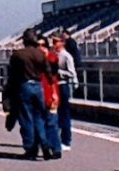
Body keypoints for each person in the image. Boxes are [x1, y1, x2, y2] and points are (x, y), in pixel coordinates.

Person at [7, 29, 60, 160]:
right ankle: (45, 144)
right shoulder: (40, 54)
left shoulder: (18, 55)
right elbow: (49, 73)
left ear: (24, 40)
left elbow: (12, 76)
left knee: (26, 118)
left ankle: (30, 148)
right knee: (39, 117)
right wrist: (52, 87)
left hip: (24, 85)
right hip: (38, 86)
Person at [52, 35, 78, 151]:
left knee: (64, 114)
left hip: (62, 86)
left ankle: (66, 141)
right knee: (54, 113)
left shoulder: (66, 56)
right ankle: (55, 139)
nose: (53, 44)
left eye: (56, 42)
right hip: (54, 86)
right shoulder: (54, 55)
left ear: (62, 43)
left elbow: (72, 73)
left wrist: (59, 72)